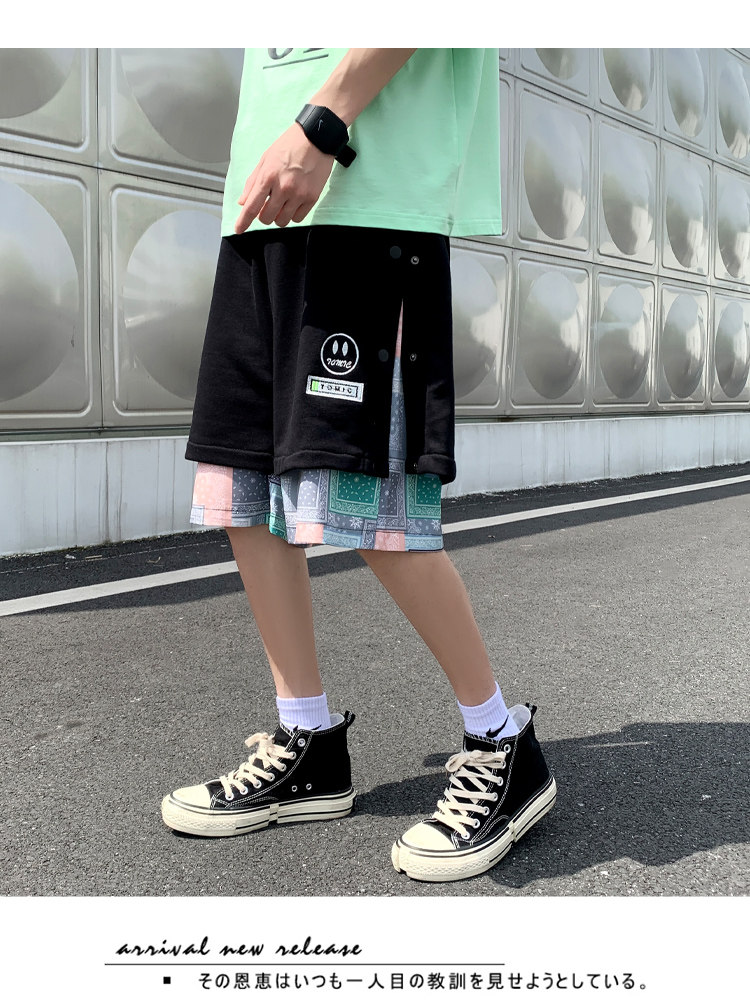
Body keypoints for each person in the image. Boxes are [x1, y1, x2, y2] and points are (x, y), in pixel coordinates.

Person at [160, 48, 556, 882]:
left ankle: (502, 741)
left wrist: (323, 122)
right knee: (246, 489)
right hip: (262, 212)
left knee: (371, 501)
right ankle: (306, 740)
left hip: (367, 201)